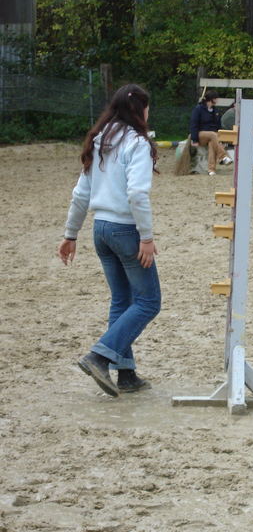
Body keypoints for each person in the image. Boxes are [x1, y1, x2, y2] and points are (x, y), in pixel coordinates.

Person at [58, 84, 161, 397]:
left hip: (100, 229)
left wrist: (70, 233)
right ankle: (99, 356)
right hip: (126, 230)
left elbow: (80, 194)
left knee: (122, 300)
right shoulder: (137, 143)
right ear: (139, 110)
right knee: (148, 302)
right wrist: (146, 236)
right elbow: (137, 193)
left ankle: (126, 374)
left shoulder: (101, 139)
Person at [189, 89, 233, 176]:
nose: (217, 100)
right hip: (200, 134)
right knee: (213, 135)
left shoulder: (216, 111)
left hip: (213, 137)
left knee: (212, 143)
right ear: (211, 99)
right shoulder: (198, 109)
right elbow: (193, 125)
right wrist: (194, 140)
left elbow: (219, 127)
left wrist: (222, 141)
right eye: (216, 98)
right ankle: (223, 157)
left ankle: (211, 170)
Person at [220, 105, 253, 171]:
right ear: (235, 104)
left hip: (233, 135)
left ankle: (251, 163)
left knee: (251, 137)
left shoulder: (236, 113)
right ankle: (252, 163)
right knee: (251, 137)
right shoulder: (231, 115)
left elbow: (241, 129)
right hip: (228, 136)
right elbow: (238, 130)